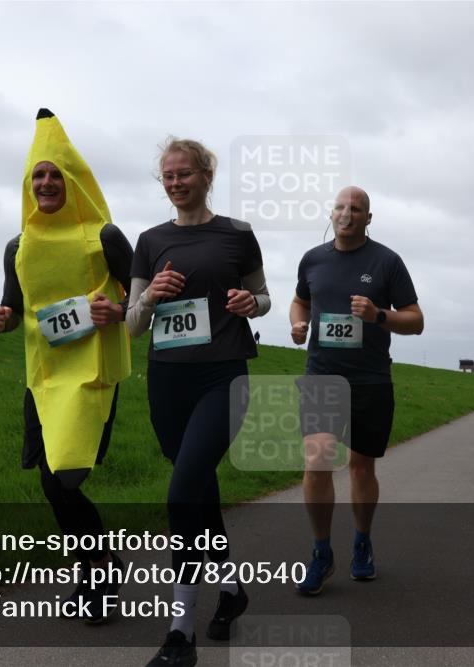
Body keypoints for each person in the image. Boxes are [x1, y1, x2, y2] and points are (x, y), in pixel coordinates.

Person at [125, 137, 271, 666]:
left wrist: (248, 302)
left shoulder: (237, 234)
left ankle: (180, 633)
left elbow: (264, 297)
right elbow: (133, 325)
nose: (175, 183)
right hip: (167, 382)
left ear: (207, 175)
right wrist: (150, 295)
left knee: (183, 493)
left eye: (184, 173)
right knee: (200, 495)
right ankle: (232, 590)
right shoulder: (149, 240)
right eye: (167, 176)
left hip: (222, 378)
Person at [0, 109, 133, 623]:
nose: (46, 183)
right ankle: (98, 568)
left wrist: (117, 311)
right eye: (38, 176)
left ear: (73, 183)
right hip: (43, 377)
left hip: (92, 374)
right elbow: (12, 307)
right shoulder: (18, 246)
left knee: (66, 479)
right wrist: (0, 319)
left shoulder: (105, 237)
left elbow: (142, 303)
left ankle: (97, 571)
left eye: (55, 174)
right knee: (50, 481)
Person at [289, 186, 424, 595]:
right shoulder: (313, 259)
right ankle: (321, 552)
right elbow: (299, 301)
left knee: (362, 467)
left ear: (368, 218)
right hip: (322, 376)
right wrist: (298, 324)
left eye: (356, 208)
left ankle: (362, 543)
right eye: (341, 206)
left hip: (369, 380)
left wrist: (379, 314)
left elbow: (416, 320)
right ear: (331, 214)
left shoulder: (387, 261)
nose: (347, 213)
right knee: (316, 463)